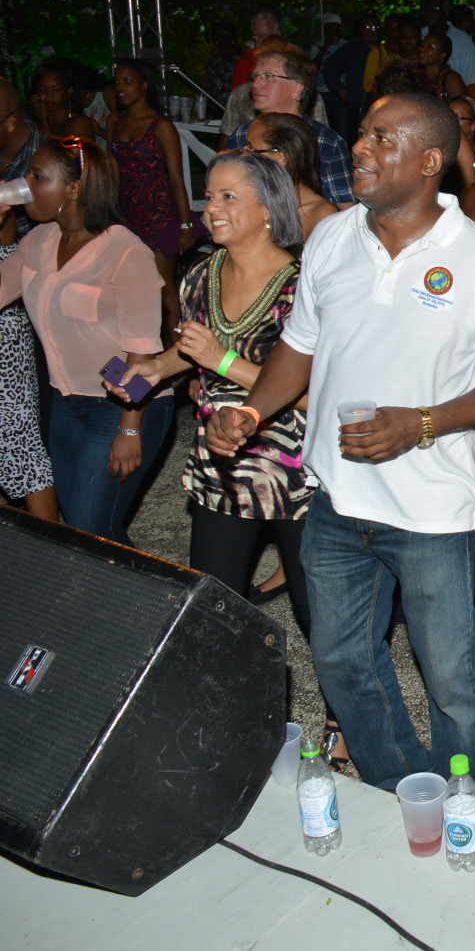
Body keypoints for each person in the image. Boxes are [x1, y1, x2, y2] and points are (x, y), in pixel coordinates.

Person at [203, 91, 475, 826]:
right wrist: (253, 411)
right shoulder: (331, 238)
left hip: (429, 510)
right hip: (335, 500)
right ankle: (401, 786)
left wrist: (422, 423)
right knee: (342, 661)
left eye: (381, 138)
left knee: (451, 676)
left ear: (428, 160)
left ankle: (469, 808)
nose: (359, 148)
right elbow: (300, 344)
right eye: (361, 134)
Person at [106, 151, 341, 755]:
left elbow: (315, 394)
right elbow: (191, 351)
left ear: (267, 210)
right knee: (216, 605)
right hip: (223, 468)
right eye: (209, 195)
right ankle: (237, 725)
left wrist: (222, 360)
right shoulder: (198, 275)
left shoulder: (305, 286)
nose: (211, 208)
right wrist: (150, 373)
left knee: (318, 613)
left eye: (228, 197)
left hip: (296, 473)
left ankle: (342, 722)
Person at [1, 136, 171, 542]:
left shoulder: (125, 252)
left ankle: (135, 586)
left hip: (120, 403)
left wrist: (130, 429)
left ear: (73, 189)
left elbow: (142, 352)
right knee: (86, 526)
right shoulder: (39, 240)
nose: (25, 185)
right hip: (65, 402)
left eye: (37, 177)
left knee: (91, 527)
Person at [0, 80, 56, 521]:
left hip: (108, 394)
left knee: (20, 444)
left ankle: (53, 551)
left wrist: (132, 422)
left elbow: (125, 348)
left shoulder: (118, 251)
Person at [108, 58, 194, 331]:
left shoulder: (161, 125)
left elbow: (177, 178)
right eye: (117, 82)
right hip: (127, 216)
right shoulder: (114, 121)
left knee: (163, 289)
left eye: (127, 81)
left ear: (144, 85)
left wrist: (186, 225)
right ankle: (142, 347)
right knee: (131, 289)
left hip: (159, 216)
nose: (120, 87)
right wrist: (111, 216)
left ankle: (178, 350)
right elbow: (114, 172)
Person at [224, 47, 356, 208]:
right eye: (255, 76)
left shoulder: (325, 142)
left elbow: (347, 210)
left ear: (296, 89)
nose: (256, 84)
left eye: (268, 76)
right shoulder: (242, 135)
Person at [241, 112, 337, 240]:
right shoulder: (251, 199)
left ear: (282, 158)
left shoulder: (321, 215)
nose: (244, 155)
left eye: (251, 149)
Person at [323, 12, 386, 145]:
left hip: (383, 107)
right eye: (367, 28)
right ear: (360, 30)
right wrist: (342, 92)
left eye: (374, 28)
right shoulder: (351, 49)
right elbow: (329, 67)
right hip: (357, 107)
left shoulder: (386, 50)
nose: (371, 31)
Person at [30, 62, 99, 142]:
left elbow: (68, 150)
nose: (49, 95)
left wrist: (43, 121)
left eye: (56, 90)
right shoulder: (30, 123)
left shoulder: (80, 123)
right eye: (42, 89)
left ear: (69, 90)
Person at [422, 0, 475, 87]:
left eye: (435, 8)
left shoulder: (462, 40)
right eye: (427, 8)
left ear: (446, 12)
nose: (430, 12)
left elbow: (472, 81)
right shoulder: (418, 36)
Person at [417, 32, 467, 102]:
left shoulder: (451, 79)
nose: (422, 49)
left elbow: (461, 107)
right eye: (422, 44)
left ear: (442, 55)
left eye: (430, 47)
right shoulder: (422, 78)